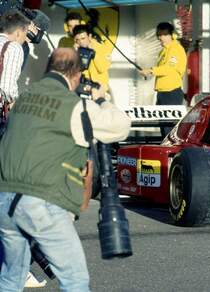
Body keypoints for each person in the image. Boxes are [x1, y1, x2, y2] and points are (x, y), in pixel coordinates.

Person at [0, 48, 131, 291]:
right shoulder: (74, 107)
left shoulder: (23, 100)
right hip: (43, 203)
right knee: (74, 280)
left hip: (4, 201)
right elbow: (120, 127)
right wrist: (101, 99)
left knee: (10, 279)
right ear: (76, 75)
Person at [138, 22, 187, 137]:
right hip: (162, 93)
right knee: (164, 126)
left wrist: (150, 70)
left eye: (164, 35)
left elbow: (169, 69)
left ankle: (171, 151)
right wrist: (149, 72)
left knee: (169, 128)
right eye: (159, 35)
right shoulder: (163, 51)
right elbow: (162, 70)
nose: (161, 38)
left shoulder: (175, 49)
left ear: (171, 35)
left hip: (171, 93)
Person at [0, 10, 29, 105]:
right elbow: (7, 88)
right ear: (18, 33)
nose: (25, 39)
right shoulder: (13, 47)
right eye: (25, 34)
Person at [73, 24, 112, 94]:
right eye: (77, 40)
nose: (81, 42)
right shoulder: (75, 50)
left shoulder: (101, 48)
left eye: (83, 38)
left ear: (90, 36)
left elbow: (103, 68)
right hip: (83, 87)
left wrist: (94, 54)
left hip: (100, 88)